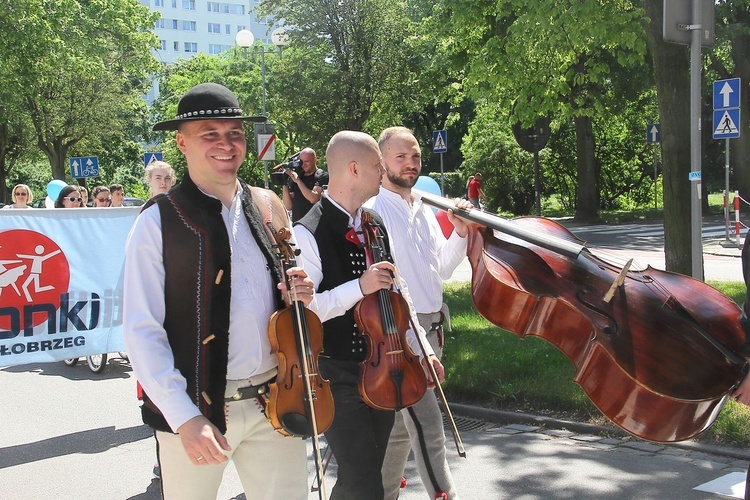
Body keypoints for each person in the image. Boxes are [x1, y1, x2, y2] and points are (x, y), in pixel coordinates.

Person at [123, 82, 312, 500]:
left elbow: (287, 294)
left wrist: (297, 292)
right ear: (181, 142)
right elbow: (141, 329)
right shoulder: (158, 220)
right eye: (210, 133)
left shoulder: (267, 206)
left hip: (274, 402)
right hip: (194, 409)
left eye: (234, 134)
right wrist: (183, 418)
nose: (226, 144)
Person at [294, 130, 443, 500]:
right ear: (355, 169)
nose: (383, 173)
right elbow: (307, 311)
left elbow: (398, 292)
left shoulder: (374, 222)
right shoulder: (308, 232)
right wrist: (359, 287)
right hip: (333, 372)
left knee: (368, 472)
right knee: (362, 476)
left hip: (381, 370)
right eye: (378, 165)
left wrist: (422, 349)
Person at [366, 126, 470, 500]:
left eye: (415, 157)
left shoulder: (423, 206)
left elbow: (441, 268)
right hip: (402, 333)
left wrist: (460, 233)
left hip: (433, 326)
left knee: (399, 431)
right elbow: (388, 285)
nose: (410, 164)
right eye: (401, 157)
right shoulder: (374, 210)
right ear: (381, 163)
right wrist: (414, 339)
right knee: (428, 427)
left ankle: (381, 494)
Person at [282, 147, 329, 222]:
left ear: (315, 159)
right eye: (301, 162)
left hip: (314, 226)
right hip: (298, 224)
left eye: (307, 161)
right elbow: (288, 206)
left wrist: (298, 181)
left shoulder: (322, 175)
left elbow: (313, 198)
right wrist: (284, 183)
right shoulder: (299, 177)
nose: (303, 165)